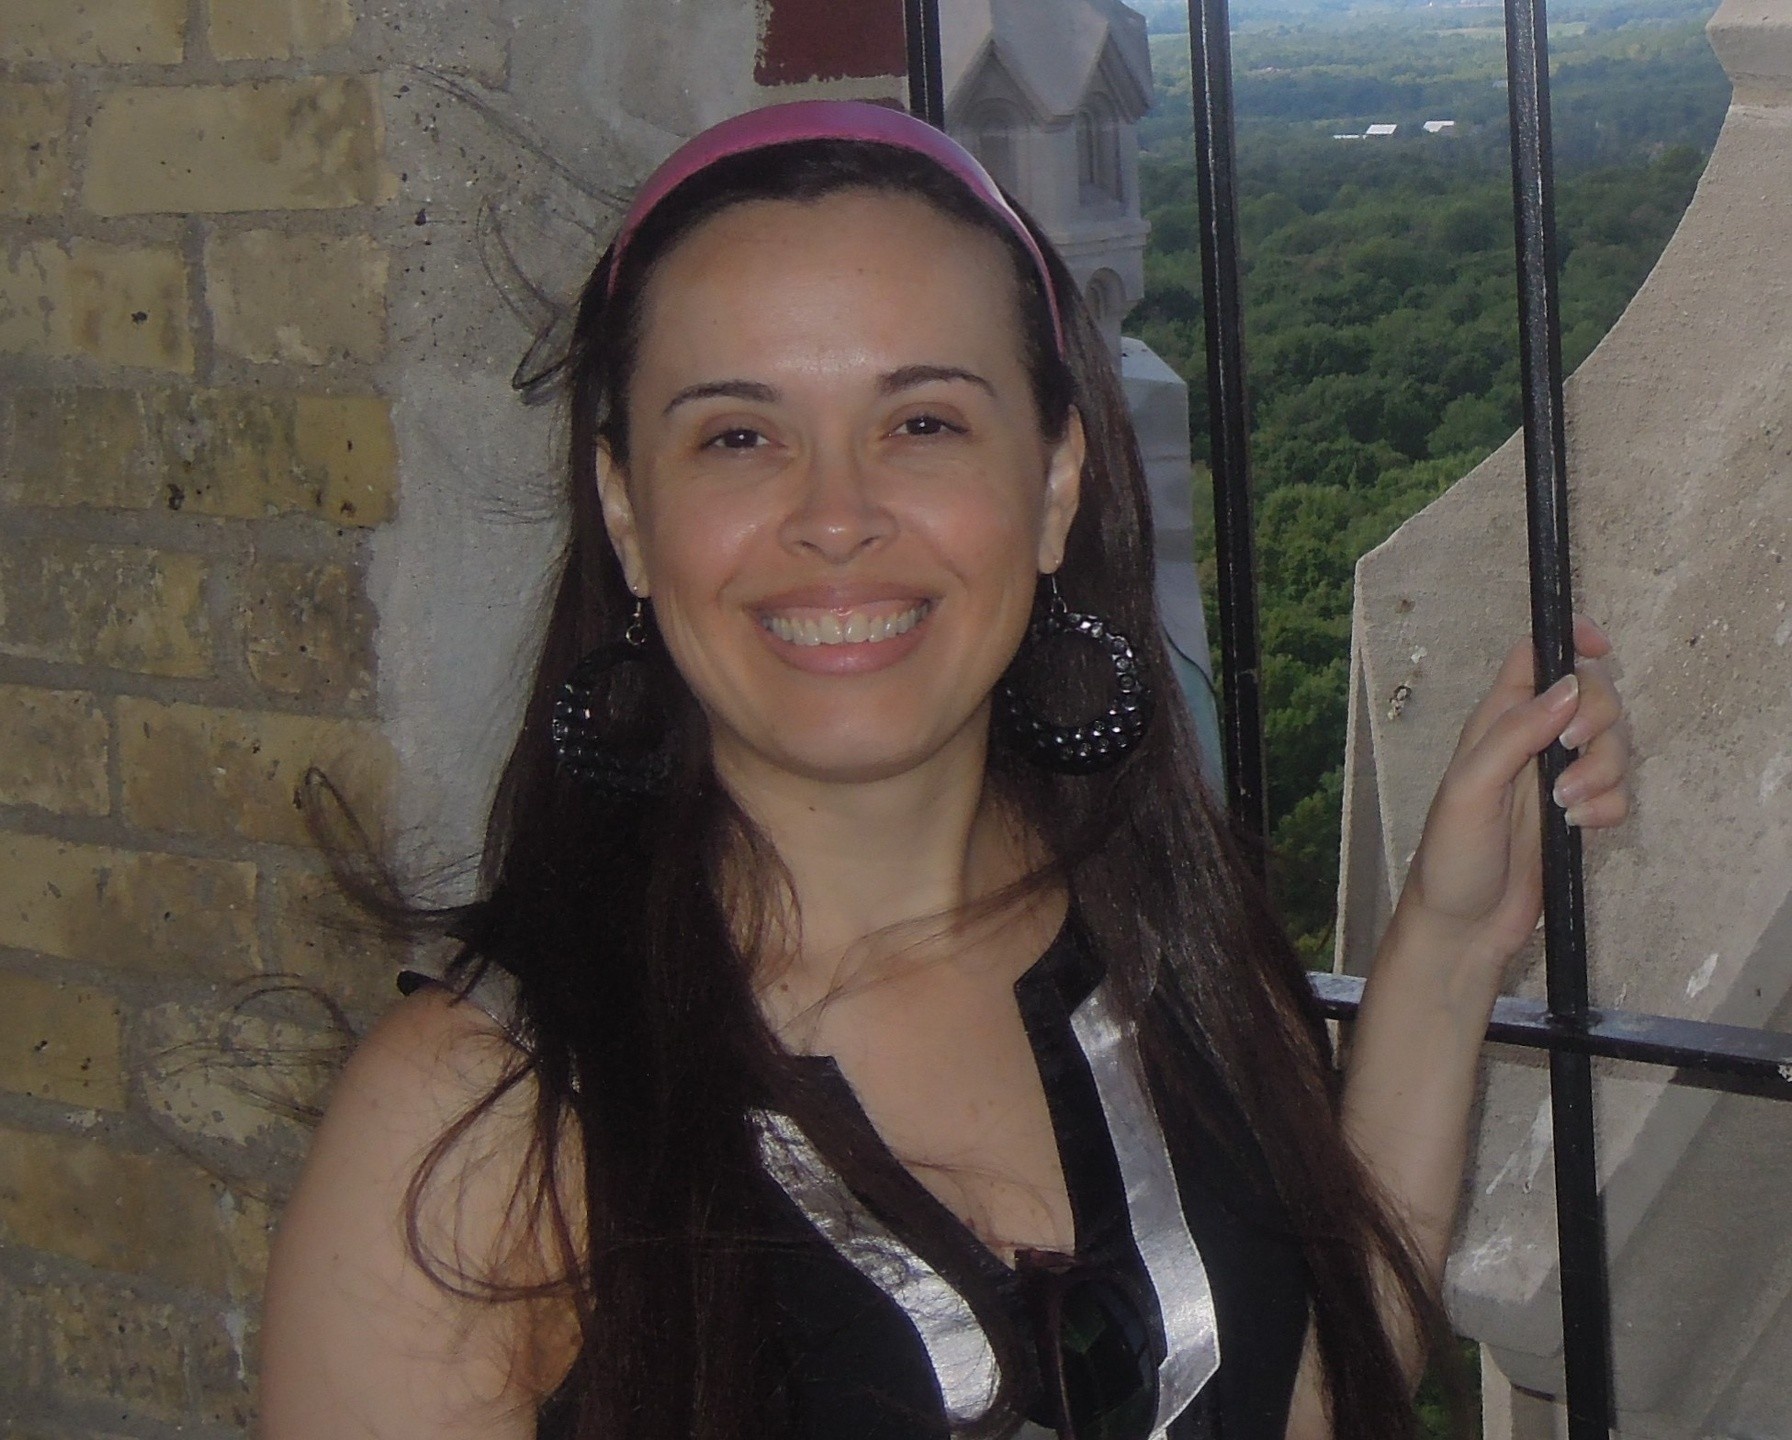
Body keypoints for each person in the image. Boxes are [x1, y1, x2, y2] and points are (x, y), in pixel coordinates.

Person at [259, 102, 1628, 1440]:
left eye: (923, 423)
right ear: (628, 511)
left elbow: (1309, 1393)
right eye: (739, 436)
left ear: (1053, 484)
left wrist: (1450, 947)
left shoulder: (1166, 946)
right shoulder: (482, 1121)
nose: (836, 517)